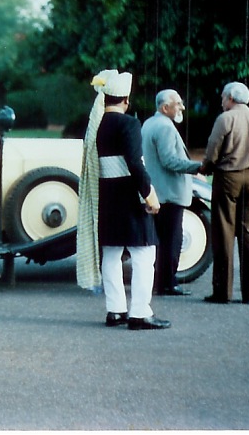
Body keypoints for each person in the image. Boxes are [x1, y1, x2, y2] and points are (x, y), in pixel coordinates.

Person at [76, 69, 171, 330]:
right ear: (126, 99)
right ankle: (140, 312)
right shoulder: (129, 124)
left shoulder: (97, 125)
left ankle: (115, 310)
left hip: (107, 196)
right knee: (144, 254)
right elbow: (135, 165)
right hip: (129, 196)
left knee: (112, 253)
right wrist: (149, 195)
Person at [201, 82, 249, 304]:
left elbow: (213, 150)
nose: (222, 101)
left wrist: (206, 169)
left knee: (224, 233)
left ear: (230, 98)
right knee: (248, 232)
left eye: (223, 97)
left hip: (228, 176)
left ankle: (223, 291)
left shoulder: (225, 119)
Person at [141, 89, 202, 296]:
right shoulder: (165, 127)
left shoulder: (150, 123)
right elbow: (169, 160)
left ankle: (162, 281)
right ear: (165, 108)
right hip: (170, 192)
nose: (181, 107)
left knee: (162, 241)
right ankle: (168, 283)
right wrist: (197, 167)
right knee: (172, 240)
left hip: (158, 191)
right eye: (178, 104)